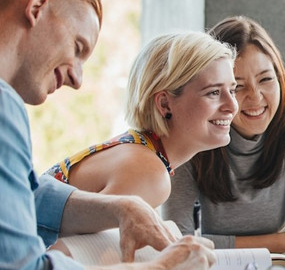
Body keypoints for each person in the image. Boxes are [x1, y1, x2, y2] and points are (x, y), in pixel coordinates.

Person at [0, 0, 216, 270]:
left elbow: (11, 195)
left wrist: (122, 208)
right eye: (78, 48)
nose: (77, 79)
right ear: (37, 7)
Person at [163, 16, 285, 252]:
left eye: (265, 79)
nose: (255, 97)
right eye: (238, 86)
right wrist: (281, 240)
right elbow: (178, 243)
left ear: (280, 78)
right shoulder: (190, 137)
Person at [43, 31, 238, 208]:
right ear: (164, 104)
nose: (232, 106)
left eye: (232, 90)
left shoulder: (141, 151)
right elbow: (69, 247)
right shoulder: (148, 174)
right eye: (213, 92)